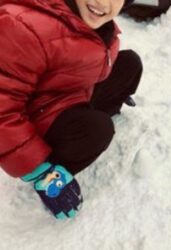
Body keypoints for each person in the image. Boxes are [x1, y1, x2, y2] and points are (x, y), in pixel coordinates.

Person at [0, 0, 142, 219]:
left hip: (69, 92)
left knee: (130, 64)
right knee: (97, 130)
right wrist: (38, 169)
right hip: (35, 118)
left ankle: (95, 113)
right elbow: (3, 111)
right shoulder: (24, 27)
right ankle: (54, 170)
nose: (103, 3)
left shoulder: (90, 16)